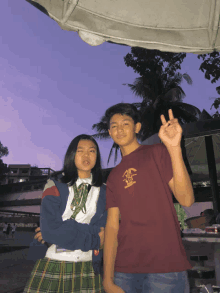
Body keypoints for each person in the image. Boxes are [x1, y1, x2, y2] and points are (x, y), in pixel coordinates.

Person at [102, 103, 195, 293]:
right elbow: (112, 227)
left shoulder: (157, 152)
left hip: (165, 268)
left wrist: (174, 147)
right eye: (114, 125)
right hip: (124, 270)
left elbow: (186, 199)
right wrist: (108, 279)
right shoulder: (113, 176)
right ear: (109, 132)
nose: (119, 129)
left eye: (125, 123)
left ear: (137, 127)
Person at [24, 134, 107, 293]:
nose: (86, 155)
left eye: (92, 151)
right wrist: (96, 239)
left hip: (89, 265)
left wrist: (63, 228)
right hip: (55, 263)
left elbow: (104, 228)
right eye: (80, 151)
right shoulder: (54, 184)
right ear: (71, 155)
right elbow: (51, 231)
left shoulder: (104, 190)